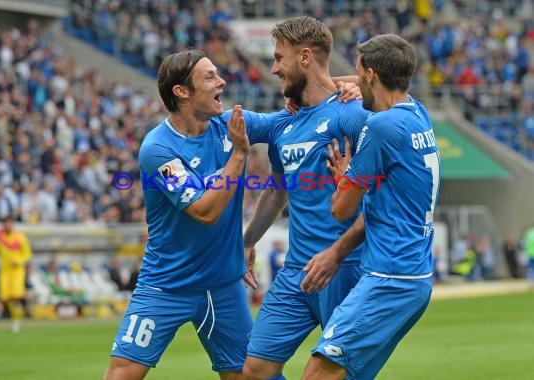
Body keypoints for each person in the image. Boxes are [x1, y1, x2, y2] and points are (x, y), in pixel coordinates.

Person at [104, 50, 291, 380]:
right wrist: (239, 155)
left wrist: (344, 85)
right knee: (122, 374)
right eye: (209, 77)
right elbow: (205, 211)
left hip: (223, 285)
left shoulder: (227, 123)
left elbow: (289, 119)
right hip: (167, 285)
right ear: (182, 91)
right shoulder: (159, 149)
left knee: (253, 375)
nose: (221, 81)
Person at [300, 34, 441, 379]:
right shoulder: (417, 114)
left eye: (358, 72)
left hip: (388, 277)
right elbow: (382, 207)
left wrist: (344, 176)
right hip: (414, 277)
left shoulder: (381, 126)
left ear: (372, 75)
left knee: (318, 372)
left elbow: (341, 209)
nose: (354, 79)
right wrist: (328, 87)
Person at [242, 16, 369, 380]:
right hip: (296, 271)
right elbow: (278, 189)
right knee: (253, 370)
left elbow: (386, 180)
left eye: (280, 58)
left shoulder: (353, 113)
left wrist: (358, 85)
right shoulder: (286, 124)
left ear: (306, 57)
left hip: (345, 268)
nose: (274, 67)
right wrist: (249, 241)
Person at [0, 216, 33, 332]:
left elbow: (27, 253)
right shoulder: (1, 238)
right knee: (5, 298)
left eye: (9, 223)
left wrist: (19, 261)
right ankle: (12, 318)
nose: (7, 226)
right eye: (5, 224)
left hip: (17, 271)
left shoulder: (19, 237)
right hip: (4, 272)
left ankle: (16, 321)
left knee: (16, 296)